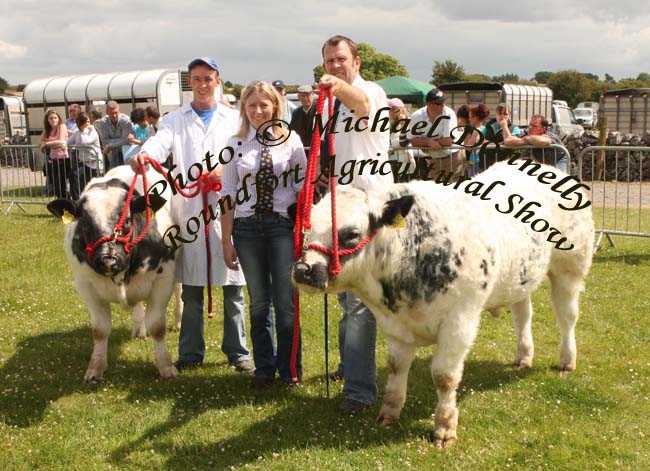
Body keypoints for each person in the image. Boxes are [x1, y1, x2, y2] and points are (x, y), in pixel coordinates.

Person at [130, 57, 253, 375]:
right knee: (192, 286)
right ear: (190, 83)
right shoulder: (175, 119)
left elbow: (245, 153)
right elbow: (160, 143)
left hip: (229, 206)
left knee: (233, 287)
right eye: (196, 79)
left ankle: (238, 351)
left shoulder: (234, 117)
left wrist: (223, 170)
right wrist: (146, 154)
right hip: (190, 210)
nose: (201, 85)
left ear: (217, 80)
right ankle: (191, 352)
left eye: (207, 78)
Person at [318, 35, 392, 414]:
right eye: (329, 61)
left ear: (357, 61)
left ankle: (361, 391)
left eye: (340, 59)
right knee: (346, 295)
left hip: (371, 208)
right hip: (341, 206)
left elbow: (362, 107)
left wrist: (339, 86)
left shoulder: (371, 93)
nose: (334, 65)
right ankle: (350, 367)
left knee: (361, 303)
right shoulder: (331, 104)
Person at [221, 81, 307, 388]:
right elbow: (228, 192)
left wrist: (304, 231)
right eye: (252, 105)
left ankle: (289, 369)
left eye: (264, 105)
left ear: (275, 107)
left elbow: (301, 188)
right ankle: (264, 368)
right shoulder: (235, 143)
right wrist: (226, 240)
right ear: (244, 108)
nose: (258, 111)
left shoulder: (291, 141)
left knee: (285, 302)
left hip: (281, 227)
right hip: (246, 229)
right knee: (258, 303)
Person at [405, 88, 461, 179]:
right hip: (433, 159)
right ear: (429, 104)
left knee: (454, 190)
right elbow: (412, 139)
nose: (443, 105)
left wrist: (426, 143)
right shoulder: (416, 116)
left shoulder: (449, 113)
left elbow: (448, 140)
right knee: (436, 191)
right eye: (439, 103)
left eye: (443, 102)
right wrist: (429, 143)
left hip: (453, 157)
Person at [66, 111, 103, 193]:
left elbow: (85, 142)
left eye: (89, 121)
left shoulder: (93, 132)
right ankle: (77, 199)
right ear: (79, 123)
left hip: (94, 163)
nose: (87, 124)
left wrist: (85, 130)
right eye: (85, 122)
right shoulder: (77, 133)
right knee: (73, 174)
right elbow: (68, 142)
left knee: (93, 186)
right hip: (84, 162)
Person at [481, 102, 522, 170]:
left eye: (505, 114)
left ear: (509, 115)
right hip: (487, 164)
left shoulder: (515, 128)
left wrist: (504, 127)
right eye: (499, 114)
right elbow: (480, 140)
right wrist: (496, 144)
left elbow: (510, 142)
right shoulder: (488, 126)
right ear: (496, 114)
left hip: (505, 164)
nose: (502, 116)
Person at [39, 109, 70, 198]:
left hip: (63, 159)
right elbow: (40, 141)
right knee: (56, 187)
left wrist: (47, 144)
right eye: (51, 118)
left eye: (55, 118)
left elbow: (61, 141)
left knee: (62, 186)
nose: (53, 120)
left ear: (58, 118)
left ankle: (67, 206)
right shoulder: (47, 130)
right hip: (53, 160)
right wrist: (48, 144)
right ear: (47, 120)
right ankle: (62, 206)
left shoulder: (62, 127)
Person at [387, 97, 415, 182]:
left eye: (389, 110)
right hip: (392, 162)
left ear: (397, 111)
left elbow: (402, 143)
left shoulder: (407, 123)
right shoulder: (390, 124)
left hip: (403, 162)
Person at [100, 101, 131, 169]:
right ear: (106, 112)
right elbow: (105, 141)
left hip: (126, 152)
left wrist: (109, 145)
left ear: (119, 111)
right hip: (112, 154)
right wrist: (118, 142)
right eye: (111, 113)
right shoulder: (103, 122)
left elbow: (126, 140)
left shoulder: (126, 121)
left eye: (116, 113)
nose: (114, 115)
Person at [464, 104, 489, 176]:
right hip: (482, 161)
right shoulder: (485, 128)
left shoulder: (476, 131)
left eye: (470, 117)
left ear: (476, 118)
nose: (469, 119)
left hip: (475, 162)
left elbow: (468, 147)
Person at [66, 104, 82, 199]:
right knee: (72, 170)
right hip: (70, 149)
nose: (71, 113)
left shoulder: (81, 120)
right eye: (70, 111)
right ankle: (73, 191)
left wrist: (71, 132)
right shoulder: (67, 121)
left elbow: (78, 133)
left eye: (72, 111)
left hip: (79, 149)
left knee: (78, 171)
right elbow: (65, 131)